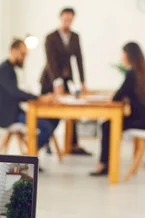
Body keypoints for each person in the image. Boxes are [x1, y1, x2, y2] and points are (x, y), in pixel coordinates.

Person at [90, 42, 145, 176]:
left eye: (123, 53)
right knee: (108, 125)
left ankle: (104, 164)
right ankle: (106, 163)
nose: (121, 56)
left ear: (129, 55)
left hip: (144, 121)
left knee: (107, 125)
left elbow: (117, 97)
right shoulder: (144, 72)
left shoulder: (131, 74)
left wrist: (120, 97)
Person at [0, 38, 56, 156]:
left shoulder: (10, 69)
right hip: (10, 116)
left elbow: (16, 93)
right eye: (22, 54)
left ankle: (30, 154)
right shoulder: (3, 70)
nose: (23, 58)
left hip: (15, 113)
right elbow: (15, 92)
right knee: (47, 127)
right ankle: (29, 155)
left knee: (50, 121)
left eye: (25, 55)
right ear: (12, 51)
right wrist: (39, 98)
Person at [40, 7, 91, 156]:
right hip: (49, 80)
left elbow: (79, 59)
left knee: (73, 111)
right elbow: (51, 61)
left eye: (70, 20)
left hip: (67, 78)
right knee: (49, 114)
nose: (67, 22)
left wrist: (82, 81)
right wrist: (57, 82)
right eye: (65, 19)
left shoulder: (75, 37)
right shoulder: (51, 37)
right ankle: (46, 143)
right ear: (60, 19)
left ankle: (73, 145)